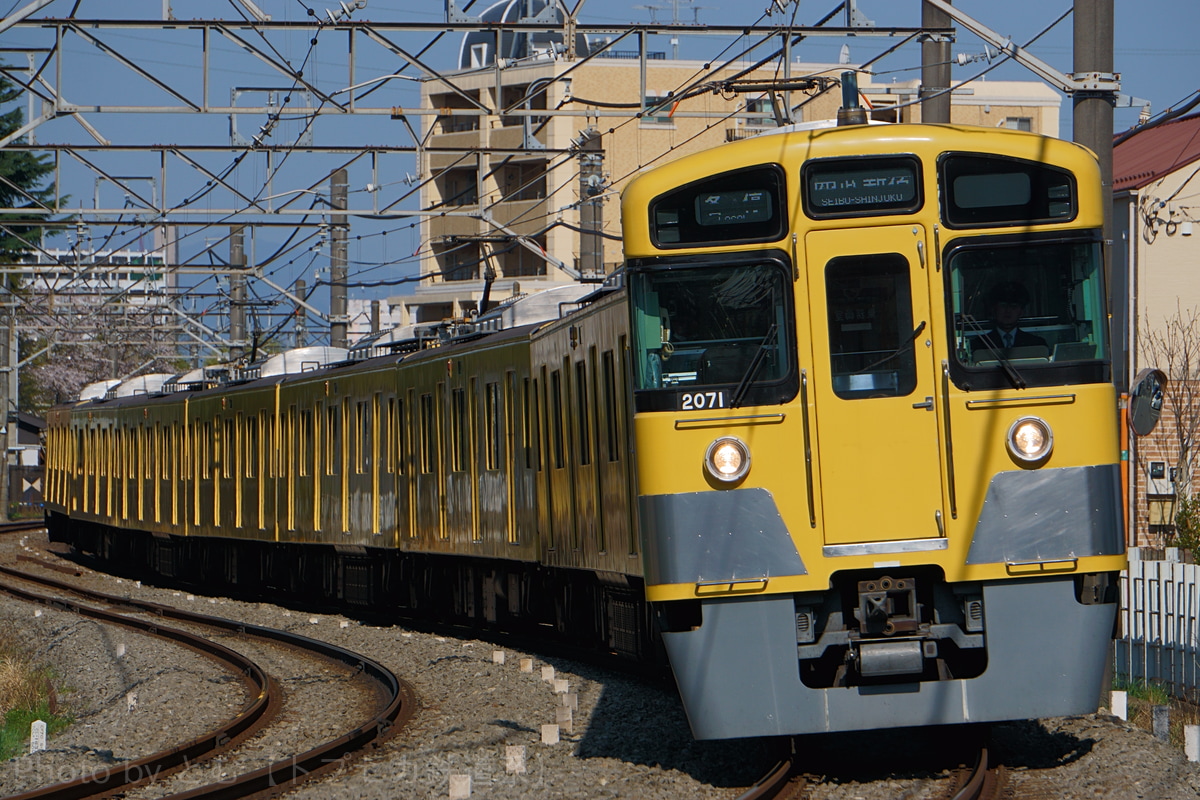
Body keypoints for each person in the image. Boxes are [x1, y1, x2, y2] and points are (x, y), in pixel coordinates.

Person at [970, 281, 1048, 361]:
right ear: (994, 309)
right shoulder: (979, 345)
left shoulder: (1036, 344)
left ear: (1021, 312)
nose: (1008, 311)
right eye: (1003, 306)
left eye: (1013, 307)